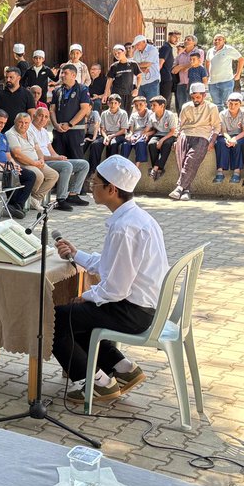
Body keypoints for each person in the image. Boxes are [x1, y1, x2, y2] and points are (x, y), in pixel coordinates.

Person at [53, 155, 166, 405]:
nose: (91, 187)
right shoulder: (137, 218)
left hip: (133, 311)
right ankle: (123, 367)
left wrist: (87, 296)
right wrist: (76, 254)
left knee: (56, 319)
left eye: (95, 183)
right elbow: (110, 264)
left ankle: (94, 384)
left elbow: (116, 288)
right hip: (141, 305)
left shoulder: (124, 228)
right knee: (78, 315)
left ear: (111, 189)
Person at [169, 83, 223, 202]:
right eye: (193, 97)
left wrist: (212, 141)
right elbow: (180, 124)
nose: (195, 100)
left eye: (198, 97)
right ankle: (186, 191)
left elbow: (217, 126)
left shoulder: (212, 107)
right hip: (185, 135)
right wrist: (176, 139)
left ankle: (179, 187)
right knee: (182, 163)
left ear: (204, 95)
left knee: (190, 162)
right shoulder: (186, 106)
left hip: (202, 136)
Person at [29, 109, 90, 210]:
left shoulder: (44, 131)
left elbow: (51, 150)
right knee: (66, 166)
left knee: (84, 164)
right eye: (40, 115)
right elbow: (36, 155)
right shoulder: (29, 130)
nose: (43, 119)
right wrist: (56, 158)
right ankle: (61, 199)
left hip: (52, 159)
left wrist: (59, 157)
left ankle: (72, 195)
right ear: (34, 116)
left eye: (46, 116)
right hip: (42, 161)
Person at [6, 113, 57, 210]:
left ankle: (34, 198)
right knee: (39, 176)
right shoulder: (11, 134)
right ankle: (25, 197)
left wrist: (41, 159)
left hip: (36, 162)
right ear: (15, 122)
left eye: (26, 123)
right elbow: (17, 155)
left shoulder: (30, 132)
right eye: (20, 122)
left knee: (53, 175)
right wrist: (34, 163)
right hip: (23, 163)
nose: (23, 125)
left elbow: (38, 149)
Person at [49, 64, 92, 160]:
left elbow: (84, 109)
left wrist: (70, 124)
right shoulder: (57, 91)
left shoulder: (82, 89)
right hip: (58, 132)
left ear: (73, 75)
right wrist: (55, 125)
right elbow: (52, 110)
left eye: (65, 73)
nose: (62, 75)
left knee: (76, 160)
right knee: (59, 161)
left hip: (75, 131)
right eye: (62, 73)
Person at [213, 92, 244, 184]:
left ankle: (236, 172)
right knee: (220, 143)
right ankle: (220, 171)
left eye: (236, 104)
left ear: (240, 104)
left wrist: (234, 139)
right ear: (227, 103)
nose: (232, 106)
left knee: (239, 145)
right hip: (227, 135)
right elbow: (224, 131)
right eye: (230, 103)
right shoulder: (222, 114)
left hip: (240, 135)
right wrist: (229, 139)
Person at [206, 33, 244, 108]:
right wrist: (208, 74)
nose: (217, 41)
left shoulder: (229, 49)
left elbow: (241, 60)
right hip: (213, 83)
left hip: (226, 82)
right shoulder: (210, 51)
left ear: (224, 41)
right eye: (215, 40)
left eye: (219, 39)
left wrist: (238, 74)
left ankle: (228, 120)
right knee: (216, 106)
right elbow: (207, 61)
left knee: (228, 105)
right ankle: (220, 120)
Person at [146, 97, 178, 181]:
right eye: (151, 105)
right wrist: (142, 134)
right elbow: (147, 129)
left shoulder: (170, 115)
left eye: (154, 105)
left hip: (170, 135)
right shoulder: (152, 116)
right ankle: (159, 169)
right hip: (158, 134)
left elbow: (172, 131)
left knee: (166, 144)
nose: (151, 107)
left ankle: (155, 169)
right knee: (151, 144)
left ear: (162, 106)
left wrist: (161, 140)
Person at [106, 44, 140, 109]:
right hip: (117, 94)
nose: (117, 55)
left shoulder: (133, 64)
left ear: (124, 52)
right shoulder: (114, 66)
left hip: (129, 93)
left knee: (128, 114)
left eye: (118, 53)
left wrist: (137, 89)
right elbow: (109, 80)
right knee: (118, 113)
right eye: (115, 54)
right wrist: (106, 93)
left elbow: (139, 76)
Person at [120, 97, 152, 165]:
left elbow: (153, 129)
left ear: (145, 104)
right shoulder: (133, 115)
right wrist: (130, 136)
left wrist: (142, 135)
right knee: (126, 143)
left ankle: (137, 166)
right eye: (136, 105)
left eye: (141, 104)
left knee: (140, 142)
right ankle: (122, 163)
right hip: (136, 134)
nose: (138, 107)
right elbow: (131, 130)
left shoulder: (150, 114)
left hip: (146, 133)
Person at [132, 34, 161, 101]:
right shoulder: (136, 52)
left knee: (152, 104)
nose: (136, 46)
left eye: (138, 44)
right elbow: (134, 66)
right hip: (140, 83)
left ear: (144, 42)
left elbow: (147, 63)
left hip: (152, 81)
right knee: (141, 105)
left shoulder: (152, 49)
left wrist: (140, 66)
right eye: (136, 44)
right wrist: (143, 67)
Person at [158, 31, 180, 103]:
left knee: (166, 102)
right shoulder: (166, 47)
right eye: (175, 37)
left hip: (167, 78)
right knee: (163, 102)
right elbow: (160, 63)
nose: (177, 40)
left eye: (178, 38)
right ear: (169, 36)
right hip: (164, 79)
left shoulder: (169, 47)